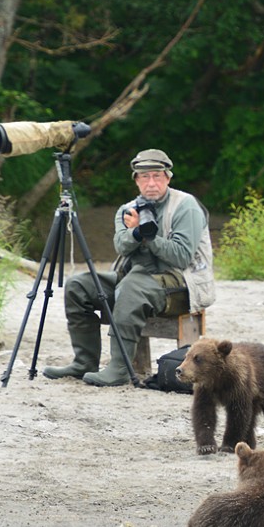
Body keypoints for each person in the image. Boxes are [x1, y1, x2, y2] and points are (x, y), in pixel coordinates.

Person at [44, 148, 215, 386]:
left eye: (157, 176)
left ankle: (119, 368)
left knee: (132, 288)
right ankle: (84, 361)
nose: (151, 183)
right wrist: (136, 231)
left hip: (182, 285)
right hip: (138, 279)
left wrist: (149, 235)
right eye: (145, 177)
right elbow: (122, 247)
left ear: (168, 177)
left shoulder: (185, 206)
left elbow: (181, 257)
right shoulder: (128, 209)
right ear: (136, 180)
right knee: (78, 285)